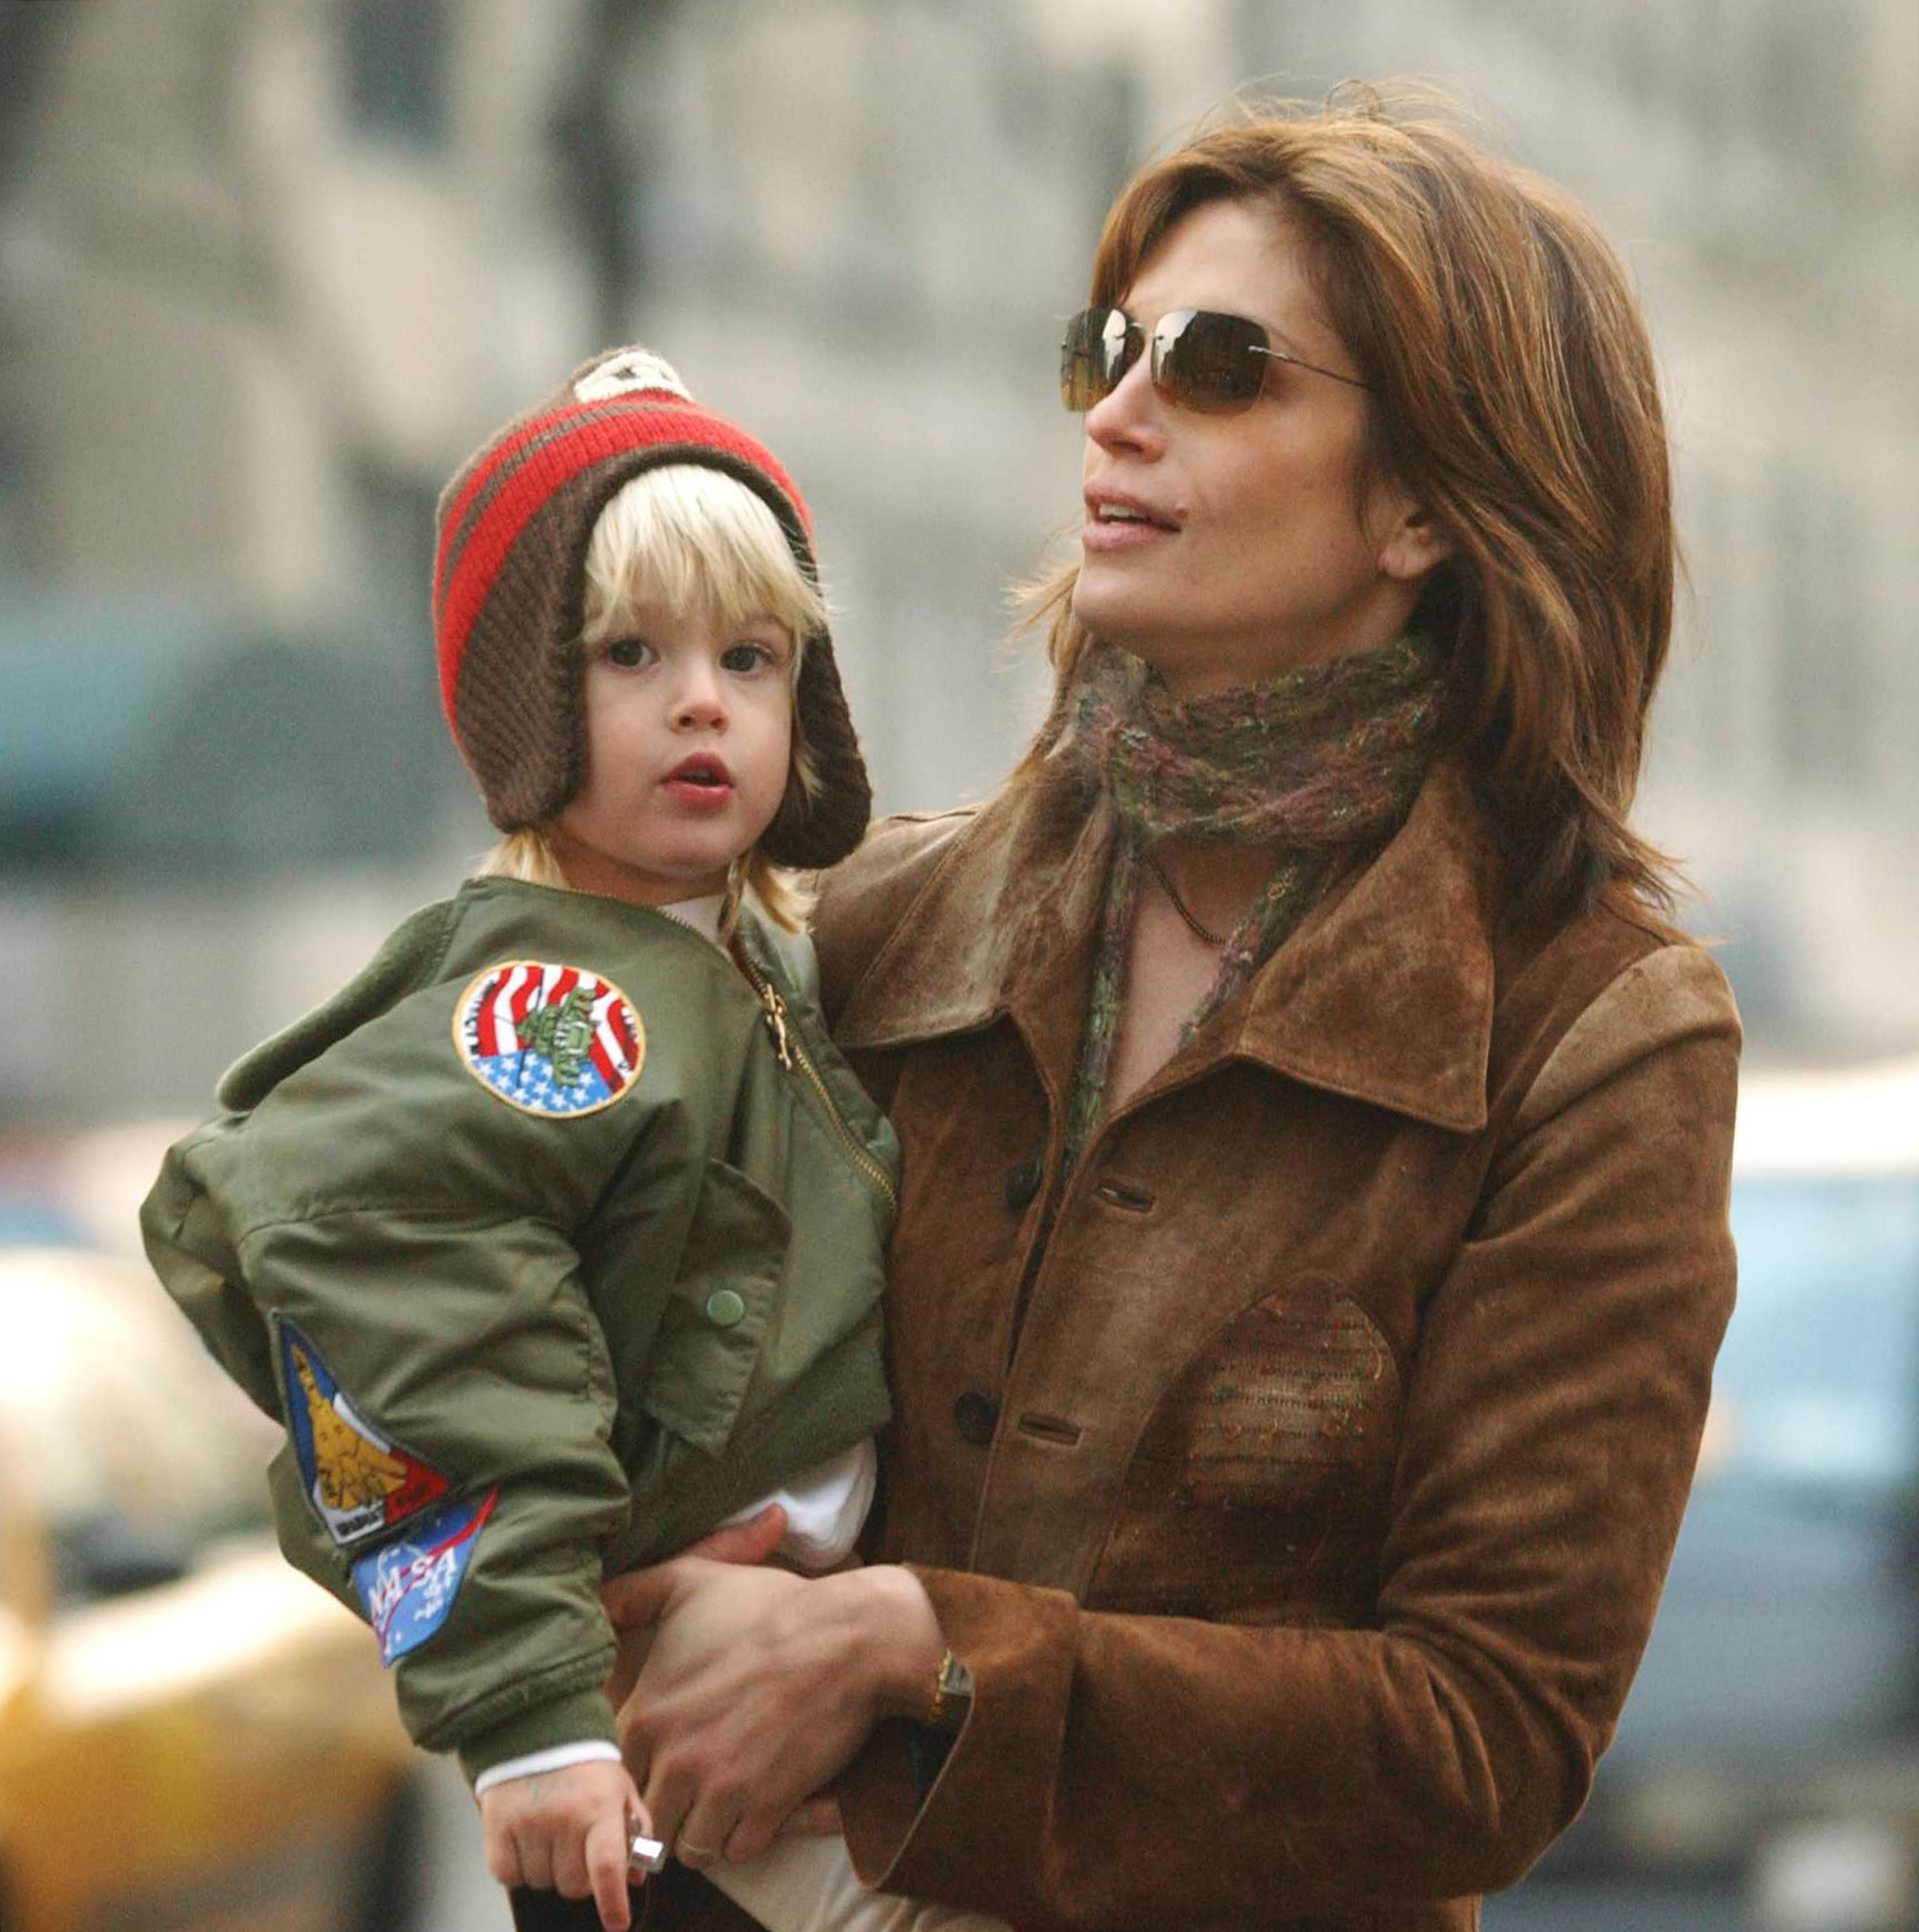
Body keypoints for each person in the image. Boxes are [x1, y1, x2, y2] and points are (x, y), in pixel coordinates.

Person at [596, 87, 1743, 1932]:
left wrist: (918, 1652)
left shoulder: (1588, 1035)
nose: (1117, 412)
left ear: (1432, 505)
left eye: (1223, 367)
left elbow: (1487, 1736)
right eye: (1106, 350)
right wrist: (624, 1594)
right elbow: (482, 1352)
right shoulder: (871, 933)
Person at [140, 348, 993, 1932]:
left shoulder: (750, 960)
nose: (700, 700)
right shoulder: (547, 1001)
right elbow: (390, 1273)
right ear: (527, 701)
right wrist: (532, 1710)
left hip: (790, 1702)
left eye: (751, 657)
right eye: (628, 652)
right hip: (651, 1764)